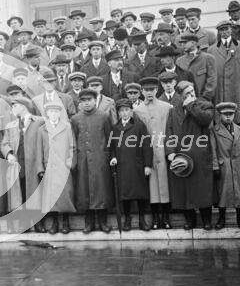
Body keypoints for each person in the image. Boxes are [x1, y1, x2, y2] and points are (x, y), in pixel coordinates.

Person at [165, 80, 215, 230]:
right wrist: (170, 152)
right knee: (184, 190)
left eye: (192, 92)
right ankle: (190, 220)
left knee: (203, 189)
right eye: (187, 93)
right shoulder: (174, 112)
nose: (191, 95)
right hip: (181, 157)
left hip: (200, 155)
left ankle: (207, 220)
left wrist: (191, 105)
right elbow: (169, 133)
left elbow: (206, 120)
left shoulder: (203, 105)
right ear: (180, 96)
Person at [71, 88, 113, 233]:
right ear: (80, 103)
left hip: (100, 160)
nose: (87, 103)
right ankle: (88, 223)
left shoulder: (104, 117)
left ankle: (103, 222)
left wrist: (108, 156)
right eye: (83, 101)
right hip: (83, 161)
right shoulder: (75, 119)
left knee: (101, 190)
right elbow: (73, 141)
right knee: (85, 191)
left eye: (89, 100)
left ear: (95, 100)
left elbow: (110, 139)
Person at [134, 77, 174, 229]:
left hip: (163, 150)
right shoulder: (138, 111)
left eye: (152, 90)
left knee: (165, 185)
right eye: (146, 90)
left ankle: (166, 217)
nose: (149, 93)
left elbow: (170, 130)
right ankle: (156, 218)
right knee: (152, 186)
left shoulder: (166, 107)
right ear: (142, 91)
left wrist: (170, 149)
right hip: (148, 152)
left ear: (157, 90)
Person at [1, 96, 44, 232]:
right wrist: (9, 154)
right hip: (18, 165)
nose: (12, 109)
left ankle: (38, 223)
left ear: (23, 106)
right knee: (21, 194)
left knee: (36, 193)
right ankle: (24, 223)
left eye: (15, 106)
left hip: (34, 163)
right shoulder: (11, 125)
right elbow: (4, 143)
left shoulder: (40, 121)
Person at [109, 98, 153, 231]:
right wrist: (113, 157)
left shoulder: (139, 126)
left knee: (140, 194)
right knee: (125, 195)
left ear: (131, 111)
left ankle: (141, 219)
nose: (124, 113)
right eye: (121, 111)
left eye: (127, 110)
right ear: (118, 113)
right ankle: (127, 219)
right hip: (122, 166)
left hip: (137, 165)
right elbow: (111, 147)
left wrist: (147, 165)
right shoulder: (115, 128)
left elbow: (147, 146)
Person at [211, 102, 240, 230]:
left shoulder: (239, 130)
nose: (228, 117)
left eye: (231, 114)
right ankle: (221, 218)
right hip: (224, 166)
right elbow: (213, 149)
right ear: (220, 115)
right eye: (225, 114)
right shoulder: (214, 130)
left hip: (239, 165)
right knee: (223, 193)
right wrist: (215, 166)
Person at [37, 101, 77, 234]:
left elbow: (73, 147)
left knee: (65, 195)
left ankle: (65, 222)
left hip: (63, 168)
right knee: (51, 197)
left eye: (56, 112)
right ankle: (54, 223)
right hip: (49, 168)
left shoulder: (67, 127)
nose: (53, 114)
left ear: (59, 113)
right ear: (47, 114)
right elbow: (39, 151)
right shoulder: (42, 129)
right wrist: (41, 169)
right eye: (50, 112)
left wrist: (69, 163)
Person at [207, 21, 240, 124]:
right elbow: (210, 72)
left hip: (237, 86)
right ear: (218, 32)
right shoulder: (211, 50)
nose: (224, 32)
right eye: (221, 30)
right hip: (220, 88)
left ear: (231, 30)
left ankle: (238, 136)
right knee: (221, 116)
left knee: (237, 117)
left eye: (226, 29)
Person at [175, 33, 216, 102]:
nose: (182, 45)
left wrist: (205, 98)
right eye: (181, 43)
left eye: (185, 43)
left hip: (203, 101)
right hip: (185, 101)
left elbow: (212, 80)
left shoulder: (208, 58)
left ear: (193, 43)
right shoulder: (179, 61)